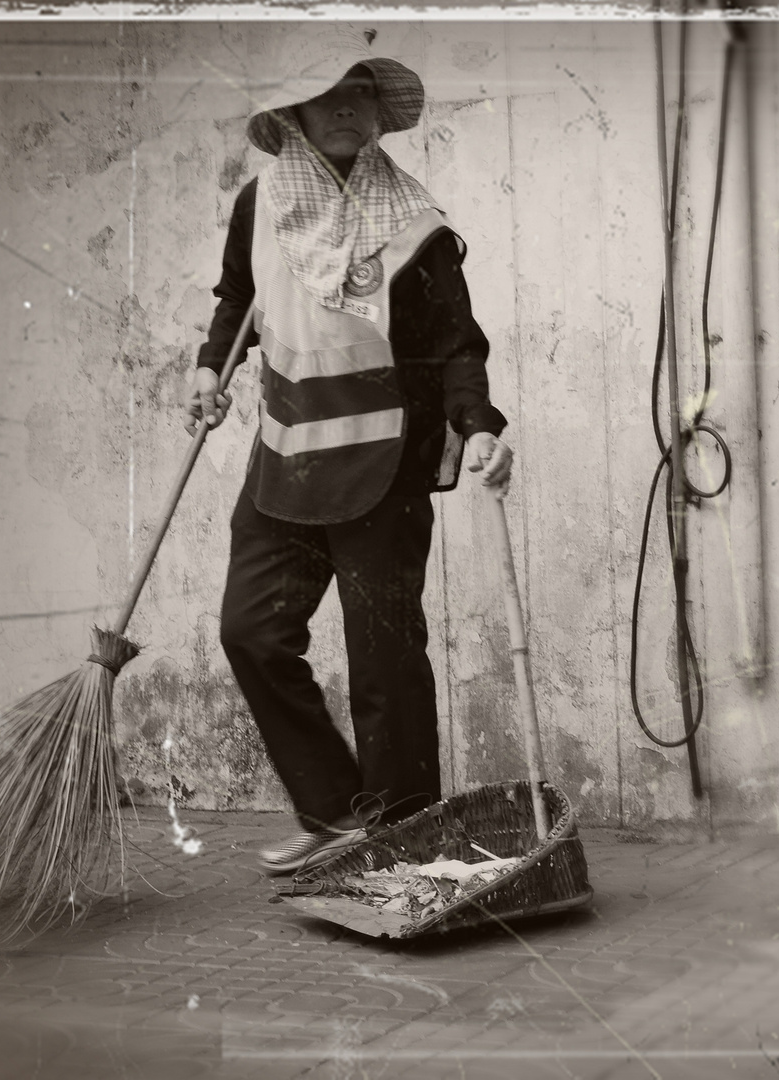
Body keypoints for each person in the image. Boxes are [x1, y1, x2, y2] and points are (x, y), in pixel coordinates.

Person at [185, 54, 512, 875]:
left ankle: (403, 835)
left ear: (376, 115)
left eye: (359, 94)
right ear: (293, 115)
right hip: (288, 453)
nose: (344, 107)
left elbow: (454, 343)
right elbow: (238, 297)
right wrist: (208, 367)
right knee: (252, 633)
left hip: (385, 463)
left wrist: (477, 426)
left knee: (385, 659)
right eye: (325, 95)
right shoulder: (260, 205)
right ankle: (336, 813)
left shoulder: (415, 224)